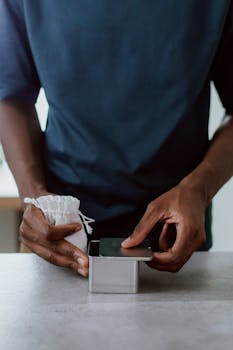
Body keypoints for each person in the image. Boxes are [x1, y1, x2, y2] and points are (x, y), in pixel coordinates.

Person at [0, 0, 233, 278]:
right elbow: (11, 95)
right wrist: (35, 197)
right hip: (60, 235)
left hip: (175, 240)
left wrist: (198, 189)